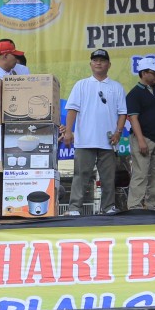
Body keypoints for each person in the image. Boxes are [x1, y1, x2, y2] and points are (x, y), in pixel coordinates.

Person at [63, 49, 127, 216]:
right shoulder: (81, 85)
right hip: (85, 139)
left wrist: (118, 132)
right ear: (90, 64)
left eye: (102, 60)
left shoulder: (117, 87)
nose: (98, 63)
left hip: (108, 140)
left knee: (108, 177)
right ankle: (74, 208)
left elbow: (122, 113)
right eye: (95, 60)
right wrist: (68, 131)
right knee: (81, 175)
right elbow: (72, 110)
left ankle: (108, 207)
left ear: (109, 65)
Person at [126, 57, 155, 211]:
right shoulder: (134, 94)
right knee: (140, 174)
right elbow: (133, 118)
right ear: (144, 73)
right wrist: (141, 140)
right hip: (143, 138)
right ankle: (135, 207)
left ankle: (153, 207)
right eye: (154, 73)